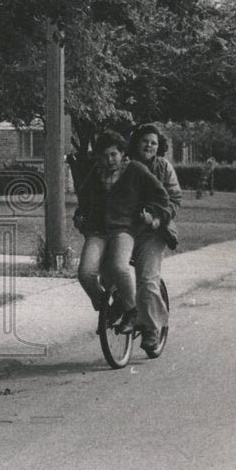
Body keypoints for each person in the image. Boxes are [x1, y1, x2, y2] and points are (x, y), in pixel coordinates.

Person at [73, 130, 173, 353]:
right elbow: (84, 199)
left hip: (123, 230)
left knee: (120, 267)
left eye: (114, 155)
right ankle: (108, 309)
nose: (110, 160)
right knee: (85, 273)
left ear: (122, 154)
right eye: (105, 156)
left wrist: (153, 214)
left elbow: (162, 197)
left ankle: (132, 310)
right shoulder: (95, 173)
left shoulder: (135, 170)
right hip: (98, 231)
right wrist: (80, 215)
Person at [127, 124, 181, 348]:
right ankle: (126, 312)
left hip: (154, 231)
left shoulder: (163, 167)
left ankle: (151, 329)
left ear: (159, 147)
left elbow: (174, 199)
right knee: (112, 272)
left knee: (148, 279)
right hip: (125, 229)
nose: (148, 145)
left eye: (153, 142)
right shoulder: (125, 164)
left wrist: (157, 219)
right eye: (145, 141)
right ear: (136, 142)